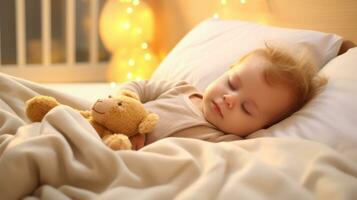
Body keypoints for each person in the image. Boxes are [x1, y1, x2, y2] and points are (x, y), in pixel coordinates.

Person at [121, 44, 327, 150]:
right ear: (227, 71)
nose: (230, 98)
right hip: (107, 126)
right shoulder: (182, 89)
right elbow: (138, 87)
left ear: (262, 127)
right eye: (232, 83)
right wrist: (128, 113)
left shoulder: (225, 143)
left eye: (247, 108)